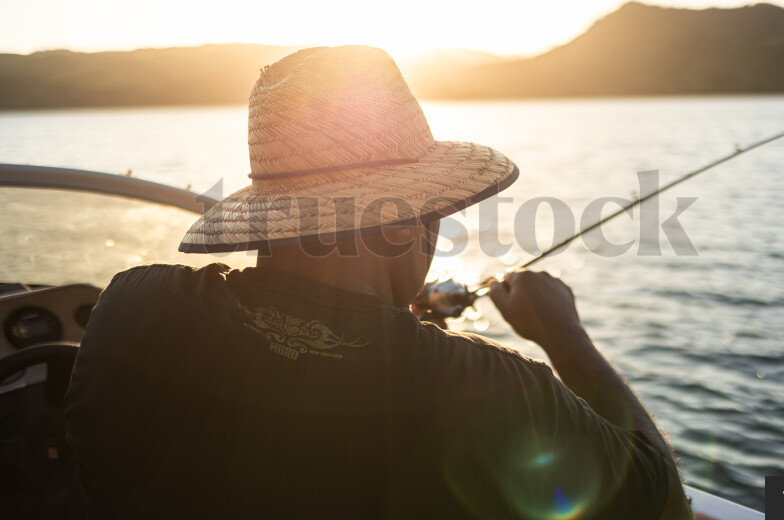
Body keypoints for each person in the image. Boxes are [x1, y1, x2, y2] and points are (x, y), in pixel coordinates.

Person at [65, 46, 692, 519]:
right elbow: (662, 499)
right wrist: (564, 333)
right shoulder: (496, 390)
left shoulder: (134, 304)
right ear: (412, 223)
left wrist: (374, 314)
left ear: (271, 214)